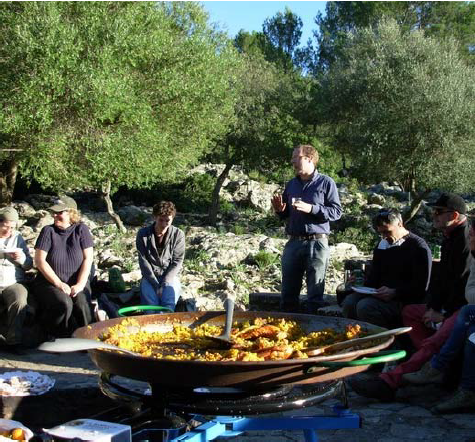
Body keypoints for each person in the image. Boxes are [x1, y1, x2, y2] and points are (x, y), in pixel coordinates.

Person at [350, 192, 471, 401]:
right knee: (403, 313)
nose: (434, 216)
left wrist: (442, 312)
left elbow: (459, 282)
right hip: (444, 305)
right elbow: (443, 280)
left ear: (454, 215)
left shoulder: (461, 240)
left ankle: (393, 378)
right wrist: (434, 307)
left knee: (368, 308)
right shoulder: (449, 238)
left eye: (439, 212)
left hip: (460, 308)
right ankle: (425, 364)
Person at [402, 219, 475, 414]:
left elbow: (466, 294)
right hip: (460, 309)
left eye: (473, 236)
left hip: (463, 311)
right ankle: (434, 366)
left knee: (468, 324)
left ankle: (437, 368)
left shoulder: (463, 250)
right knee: (411, 312)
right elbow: (468, 291)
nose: (470, 239)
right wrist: (436, 308)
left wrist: (445, 314)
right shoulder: (468, 253)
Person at [271, 144, 342, 313]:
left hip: (316, 243)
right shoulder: (292, 184)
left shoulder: (326, 182)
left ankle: (312, 332)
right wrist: (280, 211)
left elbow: (337, 212)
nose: (292, 161)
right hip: (293, 242)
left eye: (296, 157)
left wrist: (312, 209)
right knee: (288, 293)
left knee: (315, 295)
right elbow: (286, 213)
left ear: (309, 159)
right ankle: (285, 331)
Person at [342, 208, 432, 329]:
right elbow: (375, 278)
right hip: (381, 295)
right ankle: (356, 338)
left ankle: (384, 341)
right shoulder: (383, 245)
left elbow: (421, 286)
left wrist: (395, 292)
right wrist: (360, 281)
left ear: (400, 224)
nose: (384, 236)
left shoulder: (417, 246)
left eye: (387, 232)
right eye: (381, 233)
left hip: (404, 299)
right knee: (349, 302)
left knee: (365, 307)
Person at [33, 195, 94, 338]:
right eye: (54, 212)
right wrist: (59, 283)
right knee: (63, 303)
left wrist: (80, 284)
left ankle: (88, 336)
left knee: (82, 302)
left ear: (71, 213)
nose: (55, 215)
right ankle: (55, 337)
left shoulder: (81, 229)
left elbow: (88, 258)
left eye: (59, 212)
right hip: (50, 282)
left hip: (76, 280)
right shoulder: (48, 231)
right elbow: (40, 260)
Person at [136, 201, 185, 311]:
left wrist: (165, 283)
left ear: (172, 219)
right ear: (154, 217)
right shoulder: (143, 234)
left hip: (170, 276)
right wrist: (155, 284)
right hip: (150, 276)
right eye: (161, 220)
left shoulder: (178, 234)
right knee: (151, 306)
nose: (164, 224)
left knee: (168, 304)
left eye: (167, 220)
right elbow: (143, 261)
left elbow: (177, 261)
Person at [0, 207, 33, 353]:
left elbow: (29, 265)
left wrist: (21, 259)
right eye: (5, 227)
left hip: (13, 281)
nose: (9, 231)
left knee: (19, 299)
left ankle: (14, 342)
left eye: (12, 227)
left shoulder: (17, 238)